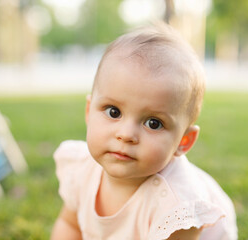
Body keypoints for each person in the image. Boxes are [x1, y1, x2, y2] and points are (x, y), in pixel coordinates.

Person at [51, 22, 237, 240]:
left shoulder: (177, 208)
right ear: (88, 112)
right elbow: (70, 225)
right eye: (113, 112)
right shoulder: (82, 170)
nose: (126, 134)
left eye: (153, 123)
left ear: (183, 141)